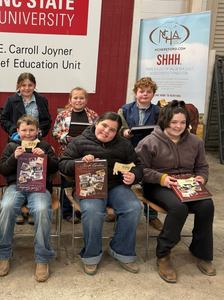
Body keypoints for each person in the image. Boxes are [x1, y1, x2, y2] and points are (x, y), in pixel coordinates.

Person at [135, 100, 215, 283]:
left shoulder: (196, 142)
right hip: (158, 185)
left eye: (182, 122)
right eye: (174, 122)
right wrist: (161, 178)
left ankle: (201, 252)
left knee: (206, 206)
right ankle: (163, 254)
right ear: (164, 121)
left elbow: (202, 166)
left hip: (188, 184)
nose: (179, 126)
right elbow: (140, 170)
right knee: (179, 208)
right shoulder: (149, 142)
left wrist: (202, 178)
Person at [59, 112, 143, 275]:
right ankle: (91, 255)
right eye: (104, 125)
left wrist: (134, 175)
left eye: (112, 130)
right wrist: (79, 162)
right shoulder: (80, 141)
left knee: (133, 208)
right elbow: (62, 164)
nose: (106, 131)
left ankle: (121, 250)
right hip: (90, 186)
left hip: (116, 186)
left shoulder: (124, 145)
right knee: (92, 212)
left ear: (117, 132)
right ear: (96, 123)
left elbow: (138, 165)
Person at [0, 115, 58, 282]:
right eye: (24, 130)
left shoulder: (44, 145)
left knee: (43, 209)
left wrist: (45, 156)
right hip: (16, 186)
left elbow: (55, 168)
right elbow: (2, 169)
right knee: (6, 206)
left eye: (31, 130)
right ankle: (3, 254)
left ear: (38, 131)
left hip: (39, 187)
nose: (28, 133)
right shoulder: (11, 146)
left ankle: (42, 258)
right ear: (18, 131)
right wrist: (13, 157)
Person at [0, 72, 52, 224]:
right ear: (18, 86)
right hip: (18, 140)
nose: (26, 88)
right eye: (23, 85)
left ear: (34, 86)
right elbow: (3, 118)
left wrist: (40, 130)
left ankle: (33, 208)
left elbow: (47, 119)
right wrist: (13, 131)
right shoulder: (11, 100)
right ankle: (20, 210)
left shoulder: (41, 100)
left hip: (36, 141)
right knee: (18, 171)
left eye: (30, 85)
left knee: (34, 172)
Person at [117, 77, 162, 231]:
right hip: (128, 150)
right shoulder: (124, 109)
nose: (144, 94)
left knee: (150, 181)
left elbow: (163, 129)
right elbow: (118, 128)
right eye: (141, 91)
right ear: (135, 93)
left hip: (151, 151)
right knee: (122, 180)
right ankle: (117, 210)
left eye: (148, 92)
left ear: (153, 94)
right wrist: (125, 132)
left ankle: (152, 215)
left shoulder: (159, 111)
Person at [52, 87, 98, 224]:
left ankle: (81, 209)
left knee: (84, 182)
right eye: (75, 98)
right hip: (67, 153)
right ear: (70, 100)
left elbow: (98, 133)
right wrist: (67, 138)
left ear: (86, 100)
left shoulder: (93, 115)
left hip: (87, 154)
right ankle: (67, 211)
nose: (78, 100)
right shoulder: (63, 115)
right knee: (67, 182)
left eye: (81, 98)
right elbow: (55, 132)